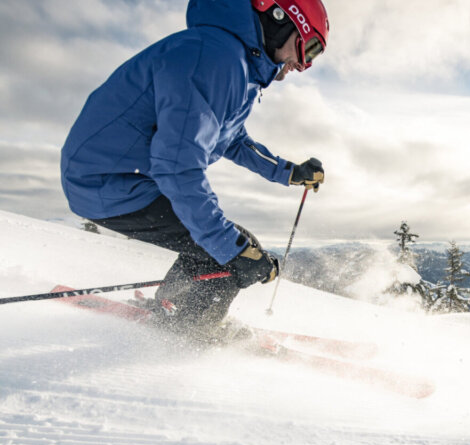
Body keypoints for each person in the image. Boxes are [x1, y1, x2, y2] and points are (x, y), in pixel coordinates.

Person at [59, 0, 329, 340]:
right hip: (104, 182)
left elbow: (231, 139)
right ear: (279, 19)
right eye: (308, 49)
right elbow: (176, 166)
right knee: (229, 251)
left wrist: (289, 172)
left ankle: (175, 306)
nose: (301, 66)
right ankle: (190, 333)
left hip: (116, 175)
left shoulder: (235, 62)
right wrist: (230, 250)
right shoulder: (216, 60)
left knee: (223, 246)